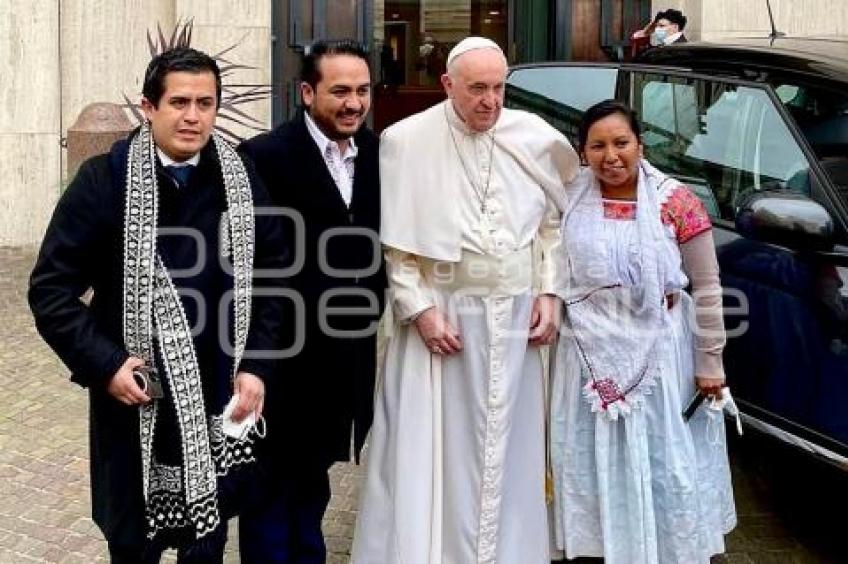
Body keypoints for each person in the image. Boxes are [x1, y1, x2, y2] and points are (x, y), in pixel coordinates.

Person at [28, 47, 287, 563]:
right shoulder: (104, 183)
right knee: (132, 544)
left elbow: (275, 279)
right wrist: (106, 365)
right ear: (149, 107)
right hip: (134, 401)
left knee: (207, 543)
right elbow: (50, 291)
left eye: (205, 103)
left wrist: (257, 365)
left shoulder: (241, 181)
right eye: (180, 102)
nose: (193, 116)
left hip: (218, 394)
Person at [351, 36, 579, 563]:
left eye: (499, 88)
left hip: (518, 320)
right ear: (448, 84)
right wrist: (422, 311)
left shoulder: (533, 137)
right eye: (477, 89)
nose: (490, 102)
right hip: (445, 320)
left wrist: (550, 291)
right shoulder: (406, 141)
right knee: (437, 448)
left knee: (513, 446)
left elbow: (551, 227)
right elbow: (397, 249)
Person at [549, 100, 736, 563]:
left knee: (660, 455)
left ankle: (663, 547)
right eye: (597, 145)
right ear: (582, 151)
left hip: (661, 350)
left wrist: (710, 361)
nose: (611, 156)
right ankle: (597, 545)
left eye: (621, 143)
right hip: (587, 349)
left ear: (640, 144)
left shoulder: (676, 201)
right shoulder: (569, 196)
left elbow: (708, 285)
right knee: (589, 455)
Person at [238, 39, 386, 563]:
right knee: (269, 488)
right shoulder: (263, 156)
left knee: (313, 483)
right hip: (282, 357)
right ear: (307, 92)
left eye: (363, 91)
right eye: (339, 91)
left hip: (345, 359)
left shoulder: (379, 154)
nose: (353, 103)